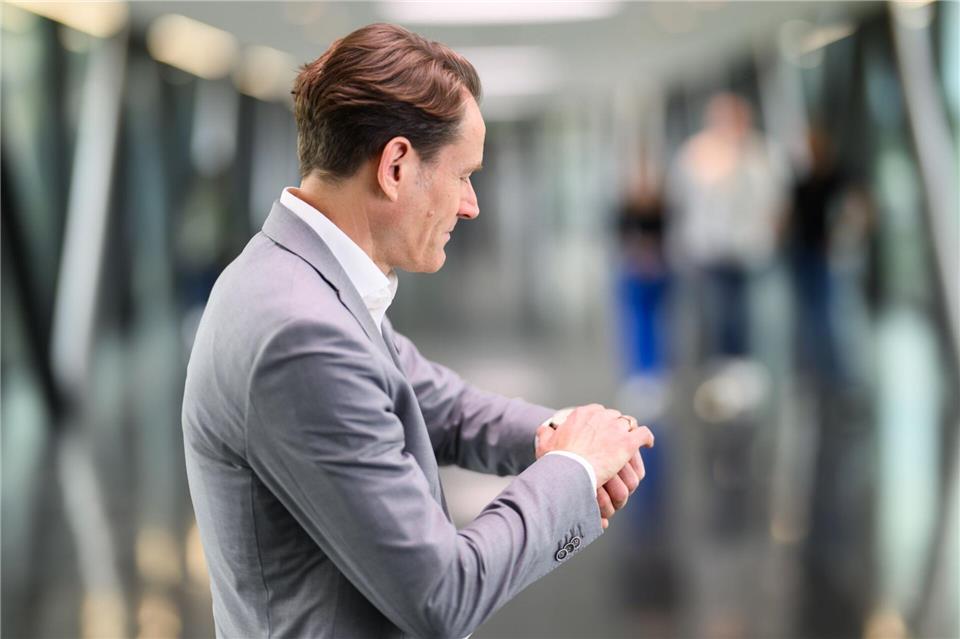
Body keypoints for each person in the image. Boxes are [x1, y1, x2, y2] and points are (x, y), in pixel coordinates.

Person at [182, 23, 654, 638]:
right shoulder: (301, 331)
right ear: (397, 166)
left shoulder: (301, 276)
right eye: (463, 175)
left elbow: (435, 401)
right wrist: (572, 474)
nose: (470, 204)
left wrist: (560, 436)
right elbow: (441, 594)